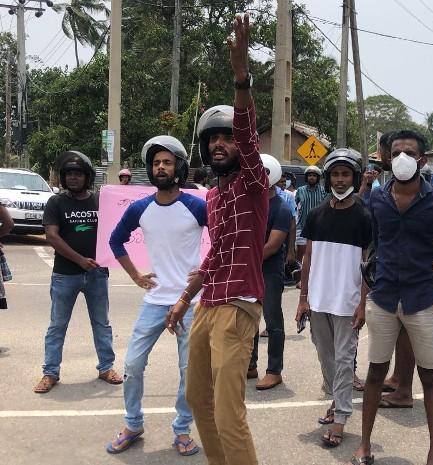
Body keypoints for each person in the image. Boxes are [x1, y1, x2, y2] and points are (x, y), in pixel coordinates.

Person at [166, 14, 268, 465]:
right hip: (209, 304)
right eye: (214, 140)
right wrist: (185, 299)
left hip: (239, 305)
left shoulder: (253, 184)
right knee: (196, 400)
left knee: (230, 414)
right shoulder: (214, 194)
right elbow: (215, 254)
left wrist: (241, 76)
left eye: (228, 138)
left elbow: (248, 135)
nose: (221, 144)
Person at [347, 129, 433, 465]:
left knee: (429, 376)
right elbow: (375, 243)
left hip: (421, 299)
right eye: (396, 152)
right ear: (386, 157)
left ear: (422, 160)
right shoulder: (378, 198)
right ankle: (365, 445)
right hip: (383, 299)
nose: (402, 158)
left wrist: (424, 260)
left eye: (409, 153)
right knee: (376, 373)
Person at [106, 136, 204, 456]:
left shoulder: (195, 205)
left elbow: (223, 239)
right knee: (133, 365)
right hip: (154, 300)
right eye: (156, 163)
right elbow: (116, 240)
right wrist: (135, 275)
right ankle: (133, 424)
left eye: (167, 162)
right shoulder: (140, 208)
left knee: (189, 372)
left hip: (188, 302)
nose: (160, 167)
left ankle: (182, 430)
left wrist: (205, 272)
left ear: (179, 167)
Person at [296, 148, 372, 448]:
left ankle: (340, 417)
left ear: (354, 177)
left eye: (346, 174)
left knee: (343, 360)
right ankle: (335, 399)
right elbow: (309, 258)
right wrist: (303, 298)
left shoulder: (364, 216)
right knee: (325, 358)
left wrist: (363, 303)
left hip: (348, 302)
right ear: (329, 178)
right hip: (318, 300)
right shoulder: (316, 215)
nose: (341, 180)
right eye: (336, 174)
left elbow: (368, 265)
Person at [34, 151, 122, 394]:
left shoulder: (99, 201)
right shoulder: (57, 203)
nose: (73, 178)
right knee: (57, 325)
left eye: (78, 173)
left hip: (97, 274)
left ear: (87, 177)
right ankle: (50, 373)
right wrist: (80, 260)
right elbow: (52, 235)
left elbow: (115, 228)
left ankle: (106, 367)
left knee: (101, 323)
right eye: (69, 174)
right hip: (65, 274)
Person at [247, 154, 292, 390]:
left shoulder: (281, 208)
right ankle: (250, 365)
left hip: (269, 271)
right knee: (249, 319)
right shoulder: (250, 204)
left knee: (272, 320)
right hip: (250, 269)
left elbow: (272, 246)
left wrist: (245, 261)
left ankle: (274, 370)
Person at [295, 164, 327, 261]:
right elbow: (296, 207)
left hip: (319, 227)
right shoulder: (300, 190)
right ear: (306, 177)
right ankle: (300, 274)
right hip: (302, 226)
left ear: (318, 177)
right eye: (309, 175)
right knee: (301, 256)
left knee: (316, 256)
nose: (311, 177)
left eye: (314, 175)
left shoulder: (323, 190)